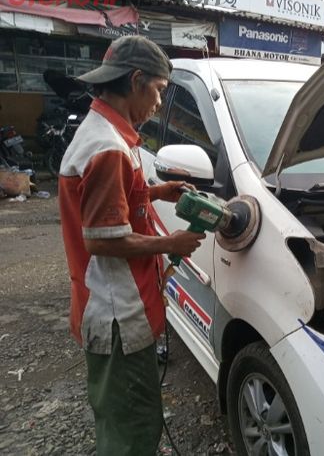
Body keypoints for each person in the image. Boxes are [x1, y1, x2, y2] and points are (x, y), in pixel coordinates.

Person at [58, 35, 205, 455]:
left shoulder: (105, 134)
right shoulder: (108, 148)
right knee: (133, 429)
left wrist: (158, 192)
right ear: (136, 80)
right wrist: (170, 242)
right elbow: (106, 240)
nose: (159, 103)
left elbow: (111, 201)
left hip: (110, 307)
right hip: (116, 315)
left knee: (122, 419)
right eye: (158, 90)